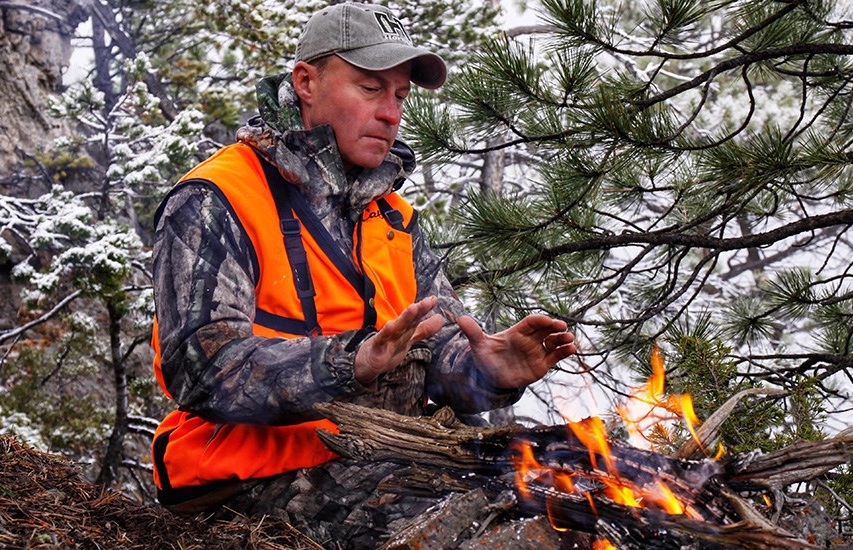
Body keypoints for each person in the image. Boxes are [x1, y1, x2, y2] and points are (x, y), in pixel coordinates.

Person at [150, 2, 576, 546]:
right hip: (246, 475)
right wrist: (351, 362)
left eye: (399, 95)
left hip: (387, 454)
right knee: (491, 529)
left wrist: (488, 369)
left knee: (566, 497)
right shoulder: (217, 198)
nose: (391, 113)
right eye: (371, 88)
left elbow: (437, 352)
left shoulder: (395, 219)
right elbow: (201, 369)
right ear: (306, 81)